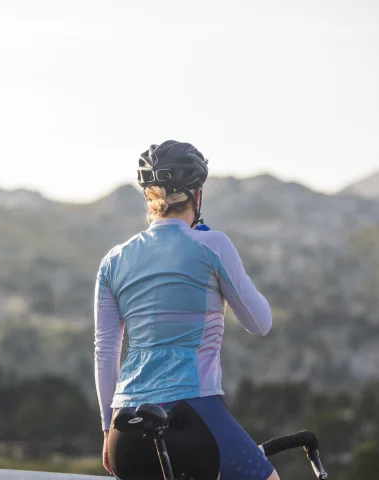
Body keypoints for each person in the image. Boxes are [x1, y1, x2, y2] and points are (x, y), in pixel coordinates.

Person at [93, 140, 279, 480]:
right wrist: (224, 263)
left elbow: (106, 352)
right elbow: (260, 322)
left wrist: (107, 431)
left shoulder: (113, 260)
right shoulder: (212, 244)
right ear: (197, 193)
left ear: (149, 196)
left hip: (126, 428)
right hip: (193, 415)